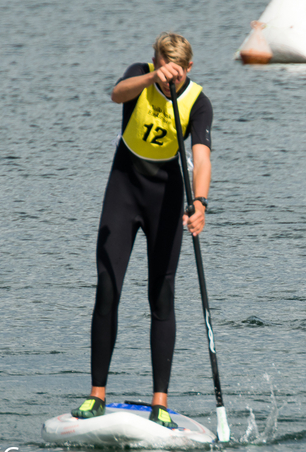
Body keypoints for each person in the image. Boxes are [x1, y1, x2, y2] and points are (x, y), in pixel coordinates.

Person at [71, 33, 213, 429]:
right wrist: (152, 79)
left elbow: (201, 160)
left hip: (166, 198)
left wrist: (199, 202)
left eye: (175, 71)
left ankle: (160, 403)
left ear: (188, 69)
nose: (169, 77)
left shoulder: (198, 103)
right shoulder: (140, 78)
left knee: (161, 295)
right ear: (153, 61)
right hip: (124, 190)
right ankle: (96, 396)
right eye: (159, 66)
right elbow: (116, 94)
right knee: (108, 286)